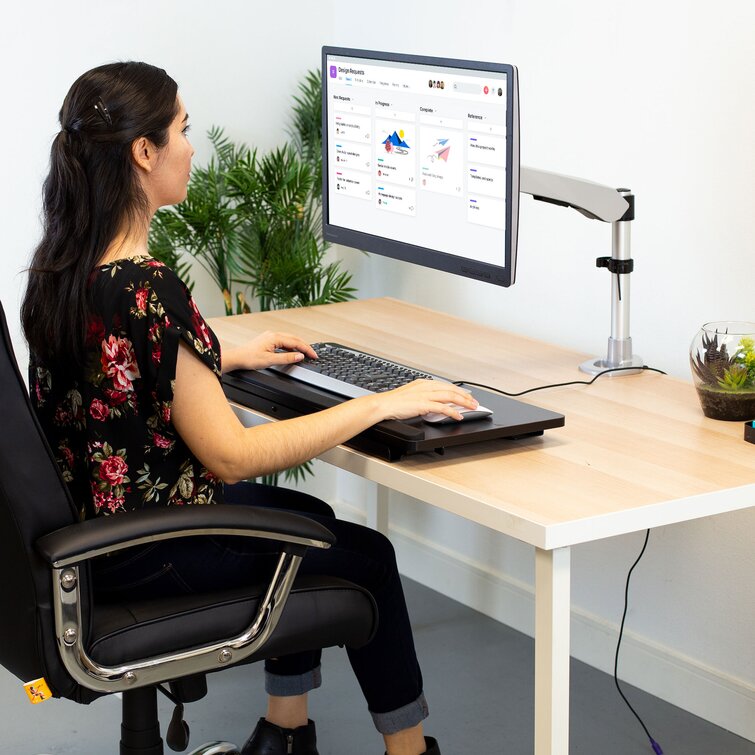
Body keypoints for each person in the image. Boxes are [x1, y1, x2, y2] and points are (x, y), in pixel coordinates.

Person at [21, 62, 479, 755]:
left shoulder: (64, 266)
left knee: (311, 520)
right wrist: (381, 401)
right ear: (143, 152)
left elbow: (114, 376)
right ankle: (409, 751)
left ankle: (284, 732)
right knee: (370, 556)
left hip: (99, 535)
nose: (192, 147)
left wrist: (221, 355)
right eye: (182, 129)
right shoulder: (147, 286)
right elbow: (232, 454)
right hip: (153, 550)